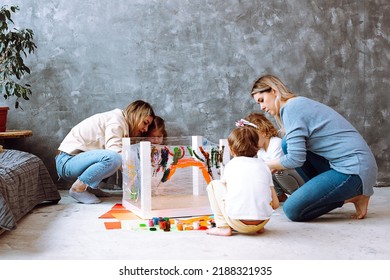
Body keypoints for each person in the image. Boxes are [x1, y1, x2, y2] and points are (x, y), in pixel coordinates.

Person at [250, 74, 378, 221]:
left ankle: (355, 196)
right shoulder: (295, 105)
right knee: (287, 143)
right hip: (344, 166)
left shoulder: (292, 109)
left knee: (293, 210)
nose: (262, 107)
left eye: (262, 100)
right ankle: (326, 194)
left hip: (354, 169)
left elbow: (295, 159)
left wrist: (264, 165)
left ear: (273, 91)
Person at [56, 100, 155, 204]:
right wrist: (138, 180)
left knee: (117, 157)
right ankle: (77, 189)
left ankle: (89, 187)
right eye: (145, 123)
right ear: (136, 114)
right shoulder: (117, 121)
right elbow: (116, 153)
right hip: (66, 161)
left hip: (73, 160)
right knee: (114, 158)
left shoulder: (121, 122)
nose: (145, 129)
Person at [206, 124, 279, 236]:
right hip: (262, 221)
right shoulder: (264, 166)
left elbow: (225, 193)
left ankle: (223, 226)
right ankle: (259, 225)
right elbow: (275, 204)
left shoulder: (231, 165)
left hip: (237, 223)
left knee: (214, 185)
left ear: (231, 149)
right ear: (258, 147)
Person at [243, 113, 304, 202]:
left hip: (295, 180)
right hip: (284, 182)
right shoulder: (261, 151)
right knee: (265, 173)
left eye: (253, 138)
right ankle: (280, 195)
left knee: (276, 171)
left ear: (263, 132)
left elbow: (275, 168)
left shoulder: (276, 143)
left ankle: (297, 196)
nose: (250, 142)